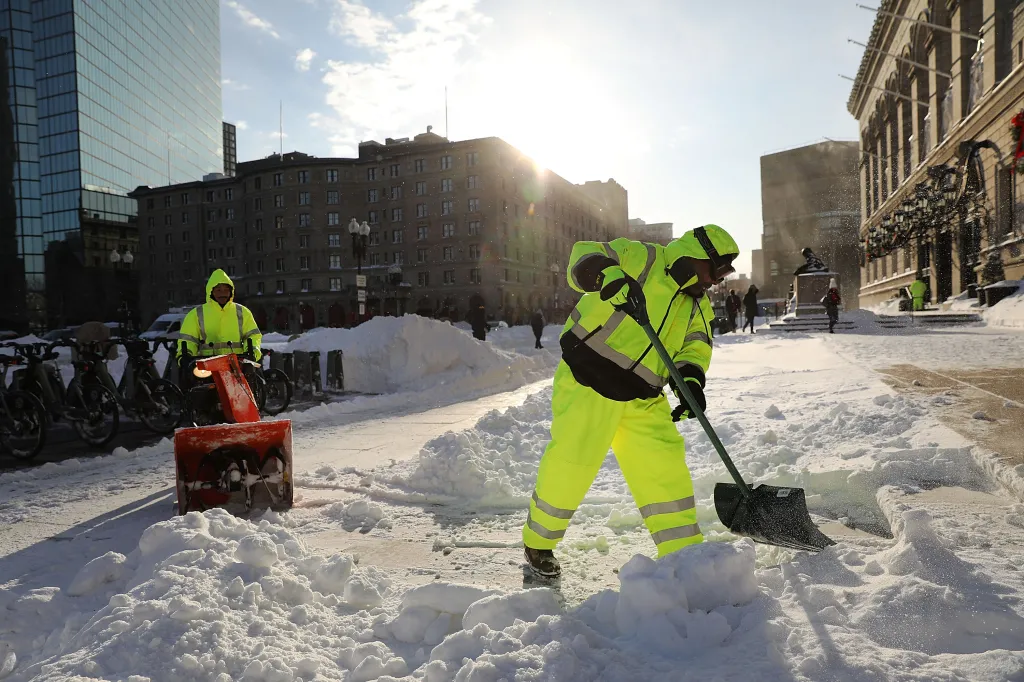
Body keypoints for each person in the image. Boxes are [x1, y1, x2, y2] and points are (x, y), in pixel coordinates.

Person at [522, 224, 739, 578]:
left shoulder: (696, 305)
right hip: (588, 378)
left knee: (664, 470)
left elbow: (695, 346)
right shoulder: (642, 257)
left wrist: (690, 382)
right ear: (698, 257)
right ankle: (538, 543)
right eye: (717, 270)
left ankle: (682, 555)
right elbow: (584, 253)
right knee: (572, 463)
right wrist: (606, 274)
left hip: (643, 395)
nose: (716, 281)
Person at [176, 269, 262, 376]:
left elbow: (253, 336)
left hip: (237, 366)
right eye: (218, 290)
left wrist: (252, 353)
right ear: (211, 292)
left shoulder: (242, 312)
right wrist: (186, 356)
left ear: (231, 291)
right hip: (206, 367)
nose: (223, 294)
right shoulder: (196, 314)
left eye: (226, 290)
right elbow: (188, 340)